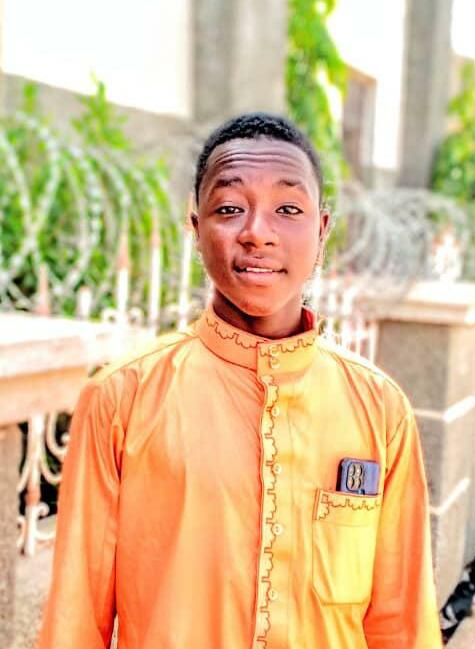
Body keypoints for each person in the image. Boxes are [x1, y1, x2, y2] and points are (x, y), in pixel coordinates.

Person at [38, 113, 443, 648]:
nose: (256, 232)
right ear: (196, 228)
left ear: (321, 230)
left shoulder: (379, 408)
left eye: (288, 209)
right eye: (229, 208)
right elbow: (75, 622)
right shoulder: (122, 399)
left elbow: (402, 624)